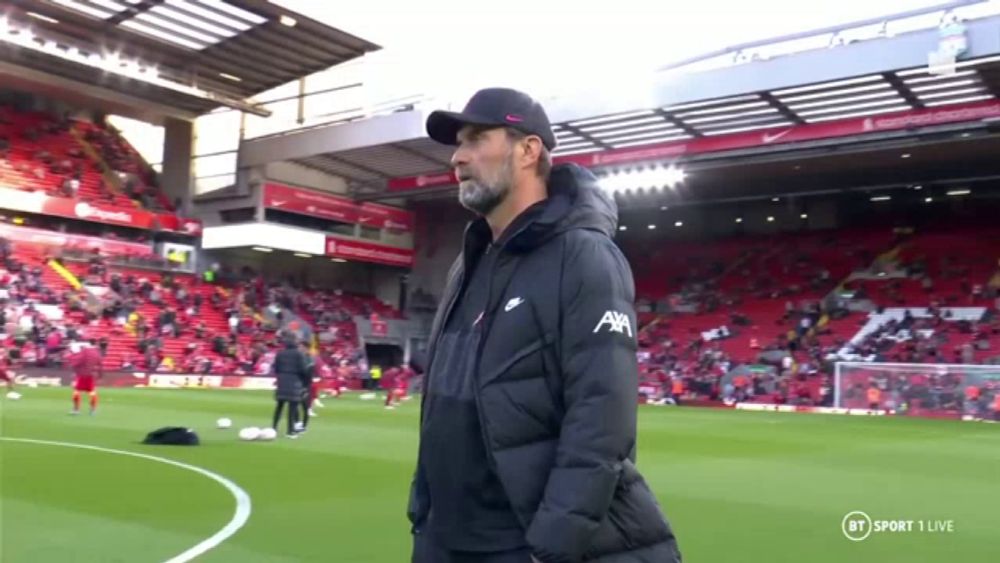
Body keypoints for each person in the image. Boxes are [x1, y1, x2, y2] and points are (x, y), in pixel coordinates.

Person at [408, 88, 681, 563]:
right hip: (443, 541)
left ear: (529, 150)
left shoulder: (584, 257)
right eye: (458, 144)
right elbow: (443, 401)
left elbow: (601, 423)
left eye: (476, 139)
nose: (457, 157)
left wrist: (552, 547)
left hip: (520, 546)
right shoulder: (467, 262)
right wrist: (423, 514)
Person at [271, 333, 308, 439]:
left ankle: (273, 428)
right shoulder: (299, 354)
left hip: (282, 381)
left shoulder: (280, 354)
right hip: (294, 382)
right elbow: (303, 370)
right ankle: (290, 431)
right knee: (292, 408)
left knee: (279, 406)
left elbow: (276, 368)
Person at [67, 340, 102, 415]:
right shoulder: (97, 353)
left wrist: (73, 365)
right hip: (91, 376)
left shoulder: (85, 351)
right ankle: (93, 410)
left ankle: (76, 410)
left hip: (82, 375)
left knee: (76, 392)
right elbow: (100, 365)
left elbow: (78, 361)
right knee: (92, 393)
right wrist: (100, 375)